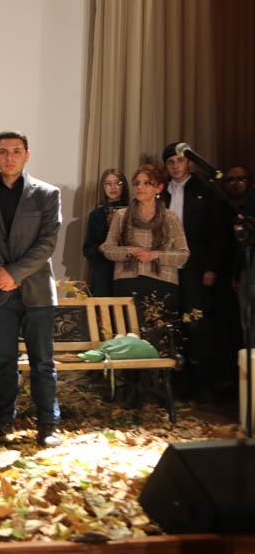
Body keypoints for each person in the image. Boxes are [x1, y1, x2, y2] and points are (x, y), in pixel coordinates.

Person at [0, 130, 62, 447]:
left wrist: (14, 273)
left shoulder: (47, 194)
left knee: (43, 363)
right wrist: (0, 274)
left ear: (27, 155)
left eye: (16, 151)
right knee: (3, 363)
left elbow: (47, 242)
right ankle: (1, 421)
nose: (9, 157)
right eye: (3, 151)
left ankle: (48, 425)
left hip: (37, 292)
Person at [101, 164, 189, 407]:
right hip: (128, 282)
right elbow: (107, 249)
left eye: (146, 183)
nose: (140, 187)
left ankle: (158, 390)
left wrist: (155, 255)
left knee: (158, 338)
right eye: (137, 183)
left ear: (159, 188)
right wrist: (130, 250)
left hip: (162, 283)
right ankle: (132, 392)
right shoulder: (122, 216)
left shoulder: (170, 218)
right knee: (131, 337)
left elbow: (183, 255)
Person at [161, 142, 232, 401]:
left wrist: (212, 267)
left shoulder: (205, 190)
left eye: (180, 160)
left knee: (198, 325)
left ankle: (205, 385)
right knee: (172, 325)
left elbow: (218, 233)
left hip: (197, 267)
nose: (175, 166)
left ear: (189, 162)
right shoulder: (161, 193)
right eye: (170, 162)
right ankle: (177, 386)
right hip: (167, 268)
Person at [82, 169, 128, 297]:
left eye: (117, 183)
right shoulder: (95, 215)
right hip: (103, 271)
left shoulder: (132, 212)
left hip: (126, 269)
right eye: (108, 184)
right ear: (103, 187)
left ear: (124, 186)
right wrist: (100, 248)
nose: (113, 187)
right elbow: (87, 249)